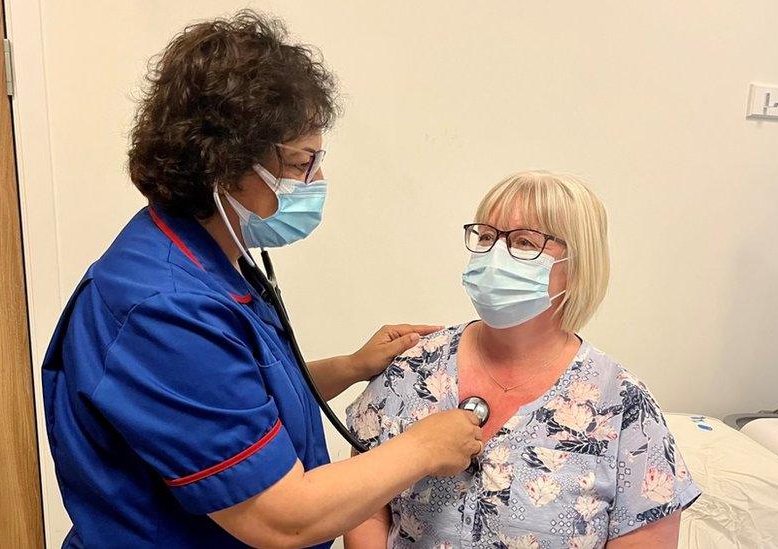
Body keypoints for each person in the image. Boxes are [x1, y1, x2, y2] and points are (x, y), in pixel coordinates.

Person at [41, 11, 483, 548]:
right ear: (224, 167)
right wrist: (422, 449)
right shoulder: (163, 308)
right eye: (301, 163)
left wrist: (347, 368)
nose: (316, 181)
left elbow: (228, 402)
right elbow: (280, 519)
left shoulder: (202, 253)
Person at [345, 171, 700, 548]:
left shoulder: (622, 404)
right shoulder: (412, 368)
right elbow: (363, 507)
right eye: (486, 236)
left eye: (524, 242)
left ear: (578, 264)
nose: (496, 256)